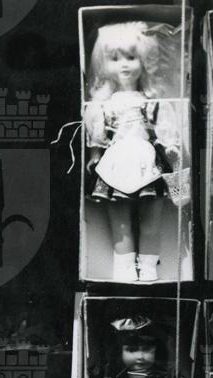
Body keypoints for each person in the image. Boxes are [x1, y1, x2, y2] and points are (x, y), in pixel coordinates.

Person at [84, 22, 181, 282]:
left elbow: (165, 130)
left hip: (147, 161)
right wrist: (94, 156)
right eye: (115, 59)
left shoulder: (152, 101)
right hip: (115, 161)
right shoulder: (104, 104)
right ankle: (124, 266)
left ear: (145, 60)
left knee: (150, 221)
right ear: (104, 64)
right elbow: (98, 134)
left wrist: (171, 147)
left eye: (131, 57)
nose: (124, 65)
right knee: (121, 223)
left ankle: (148, 266)